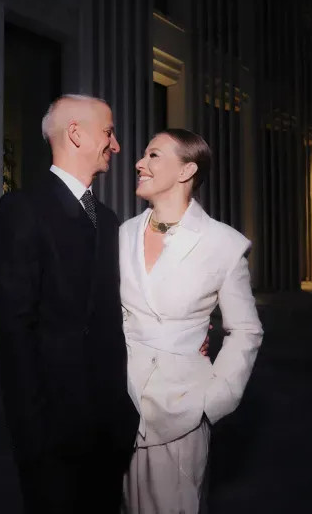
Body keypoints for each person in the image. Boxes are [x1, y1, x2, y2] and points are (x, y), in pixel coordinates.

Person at [0, 94, 139, 514]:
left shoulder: (107, 219)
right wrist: (31, 436)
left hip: (110, 428)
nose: (116, 145)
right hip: (53, 436)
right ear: (76, 134)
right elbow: (13, 333)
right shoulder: (21, 210)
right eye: (109, 132)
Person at [120, 128, 263, 514]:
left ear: (186, 171)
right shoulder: (122, 235)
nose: (139, 163)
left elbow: (245, 329)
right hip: (119, 403)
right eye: (143, 155)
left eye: (153, 155)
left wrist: (212, 400)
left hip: (181, 408)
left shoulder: (224, 244)